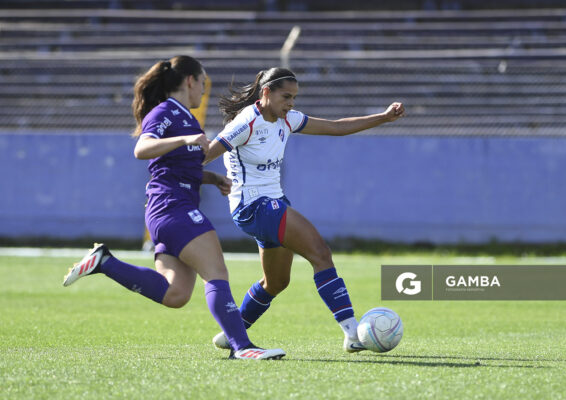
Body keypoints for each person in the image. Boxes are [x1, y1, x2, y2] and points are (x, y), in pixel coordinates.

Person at [62, 56, 285, 360]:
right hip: (173, 207)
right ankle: (242, 348)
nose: (204, 90)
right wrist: (184, 139)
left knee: (175, 294)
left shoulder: (186, 116)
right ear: (189, 81)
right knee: (216, 271)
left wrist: (210, 177)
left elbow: (173, 166)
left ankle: (105, 263)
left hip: (167, 209)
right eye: (203, 83)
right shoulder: (166, 112)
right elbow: (142, 149)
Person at [203, 67, 405, 353]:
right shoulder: (246, 121)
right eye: (286, 96)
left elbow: (336, 127)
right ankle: (352, 332)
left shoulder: (288, 120)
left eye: (294, 97)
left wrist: (383, 118)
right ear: (266, 93)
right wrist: (170, 179)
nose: (291, 103)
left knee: (276, 282)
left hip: (272, 204)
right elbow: (207, 153)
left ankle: (233, 332)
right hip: (253, 205)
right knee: (320, 253)